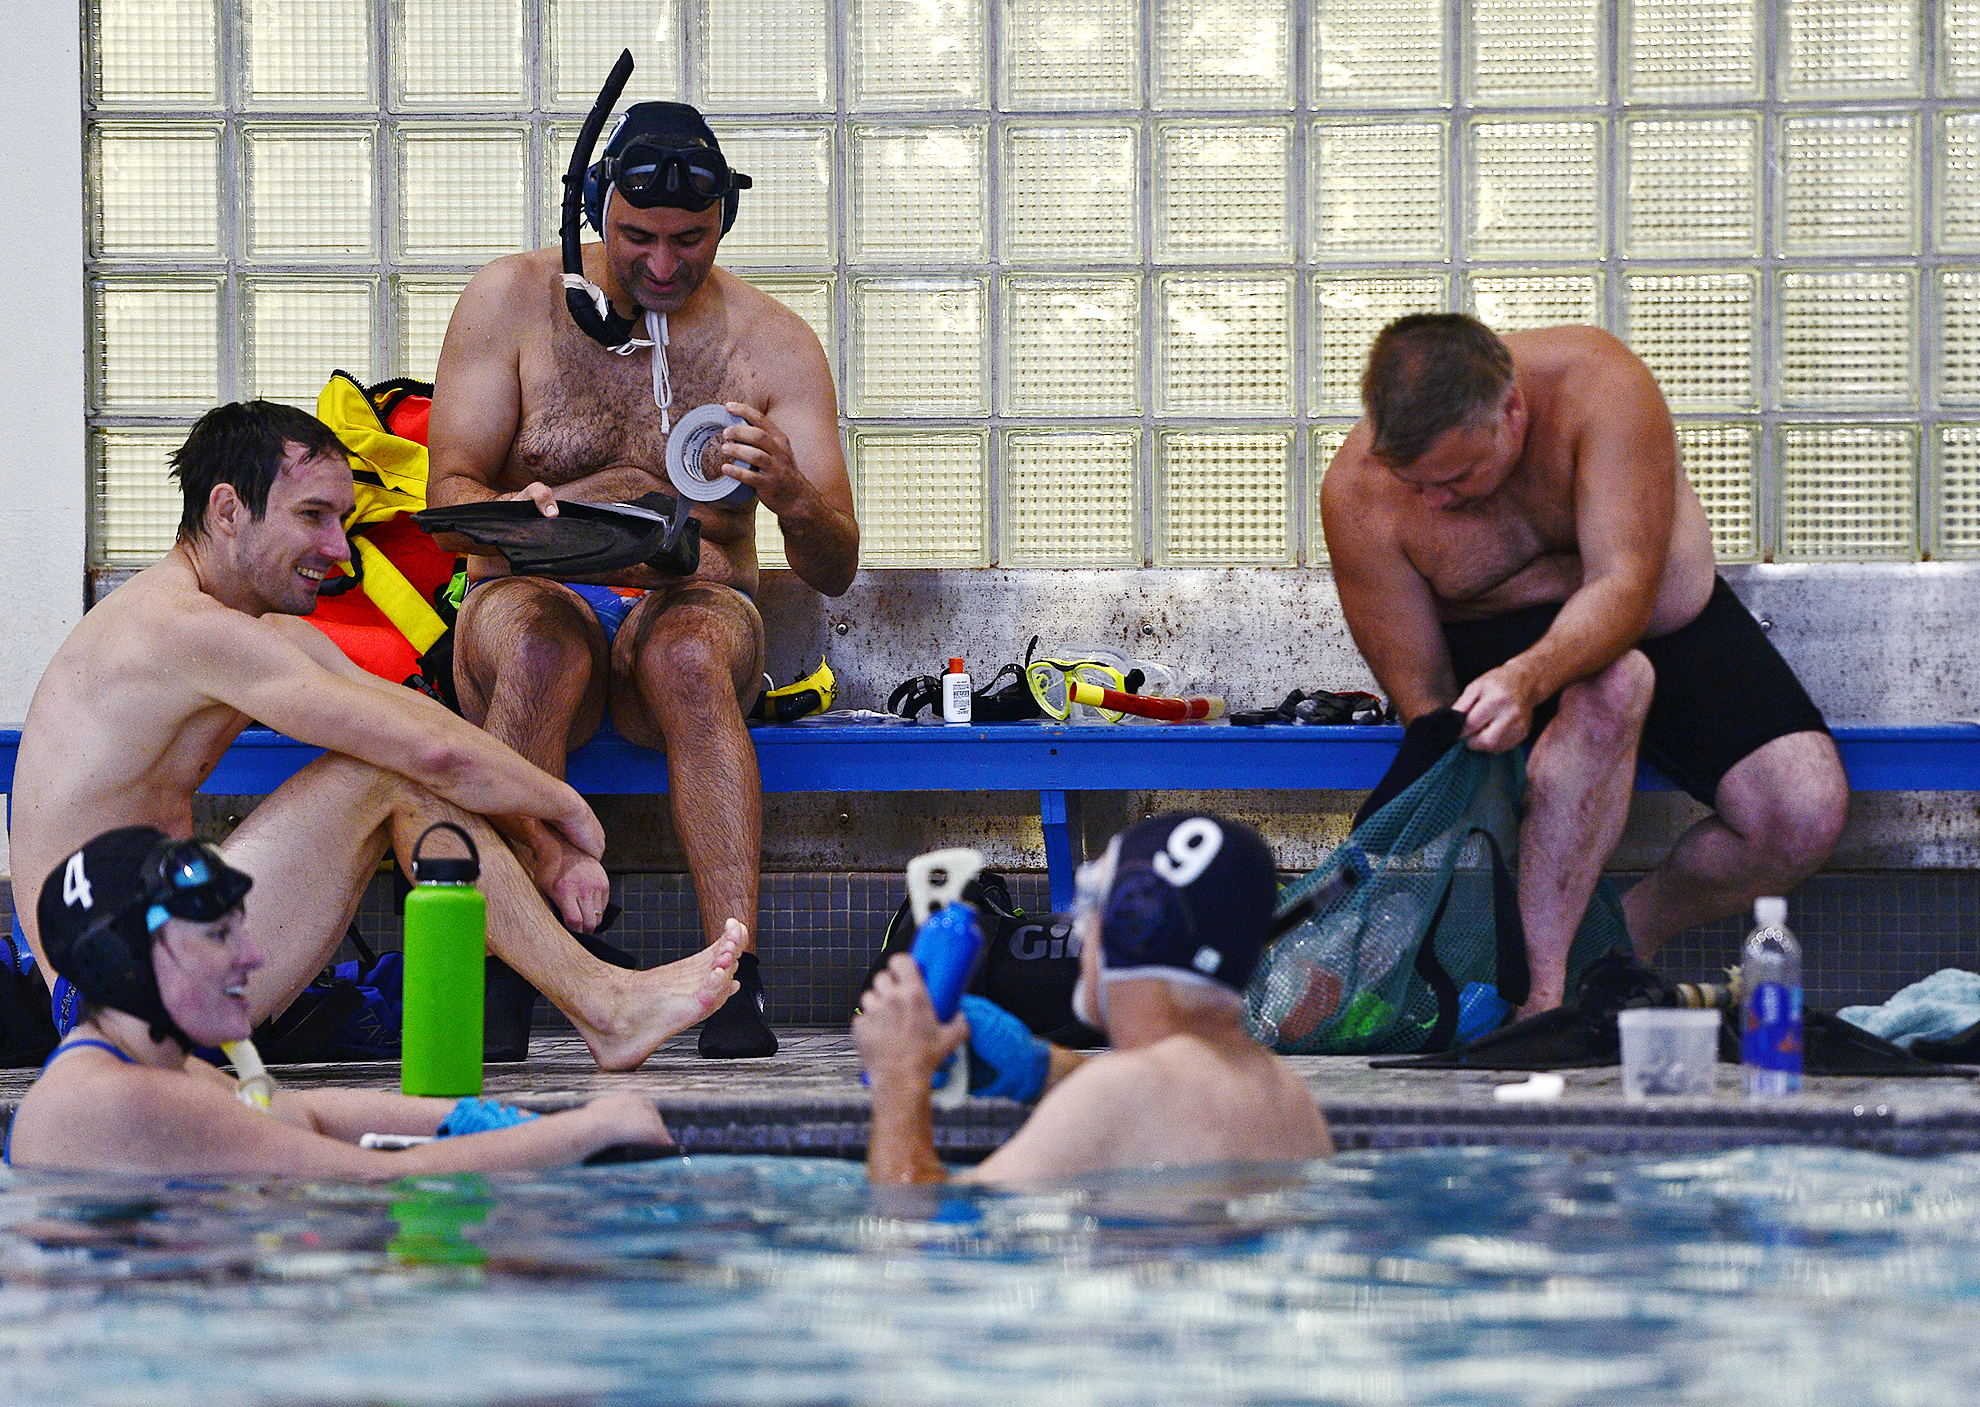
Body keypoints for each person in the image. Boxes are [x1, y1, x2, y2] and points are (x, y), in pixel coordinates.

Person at [8, 400, 740, 1073]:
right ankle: (604, 1004)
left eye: (342, 519)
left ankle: (603, 1002)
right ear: (228, 509)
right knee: (384, 773)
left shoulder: (254, 627)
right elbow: (428, 754)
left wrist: (546, 850)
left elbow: (413, 718)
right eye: (315, 516)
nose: (340, 549)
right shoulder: (183, 629)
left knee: (390, 764)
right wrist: (567, 814)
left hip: (162, 958)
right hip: (108, 998)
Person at [426, 98, 859, 1061]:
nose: (663, 266)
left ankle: (733, 977)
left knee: (695, 658)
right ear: (593, 209)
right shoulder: (510, 301)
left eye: (689, 241)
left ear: (722, 226)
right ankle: (507, 968)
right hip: (534, 593)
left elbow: (833, 569)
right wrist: (531, 518)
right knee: (539, 649)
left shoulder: (771, 342)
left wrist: (790, 492)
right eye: (637, 239)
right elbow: (449, 493)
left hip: (689, 603)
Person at [1321, 313, 1848, 1018]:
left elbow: (1628, 592)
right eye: (1414, 484)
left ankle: (1619, 939)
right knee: (1613, 683)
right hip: (1499, 655)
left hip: (1660, 621)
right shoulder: (1361, 496)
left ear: (1512, 410)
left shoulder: (1599, 385)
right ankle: (1542, 1000)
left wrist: (1531, 671)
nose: (1434, 502)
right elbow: (1428, 706)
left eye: (1454, 476)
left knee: (1802, 811)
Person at [6, 827, 674, 1174]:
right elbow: (363, 1178)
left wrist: (495, 1119)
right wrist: (585, 1129)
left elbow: (310, 1115)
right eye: (217, 933)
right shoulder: (119, 1098)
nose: (251, 954)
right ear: (122, 962)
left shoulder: (153, 1066)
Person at [852, 813, 1333, 1186]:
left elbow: (917, 1231)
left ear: (1134, 929)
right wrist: (1041, 1069)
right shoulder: (1286, 1097)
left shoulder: (1121, 1088)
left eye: (1090, 905)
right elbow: (1157, 1108)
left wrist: (900, 1082)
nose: (1079, 929)